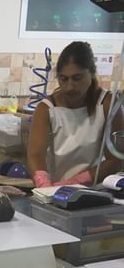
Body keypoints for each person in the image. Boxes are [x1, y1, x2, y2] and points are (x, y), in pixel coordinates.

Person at [27, 41, 122, 188]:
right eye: (63, 79)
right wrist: (43, 184)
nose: (70, 87)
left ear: (91, 73)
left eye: (77, 78)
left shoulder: (107, 104)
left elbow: (115, 159)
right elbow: (35, 155)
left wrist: (76, 182)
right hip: (54, 190)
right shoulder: (46, 109)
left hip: (96, 191)